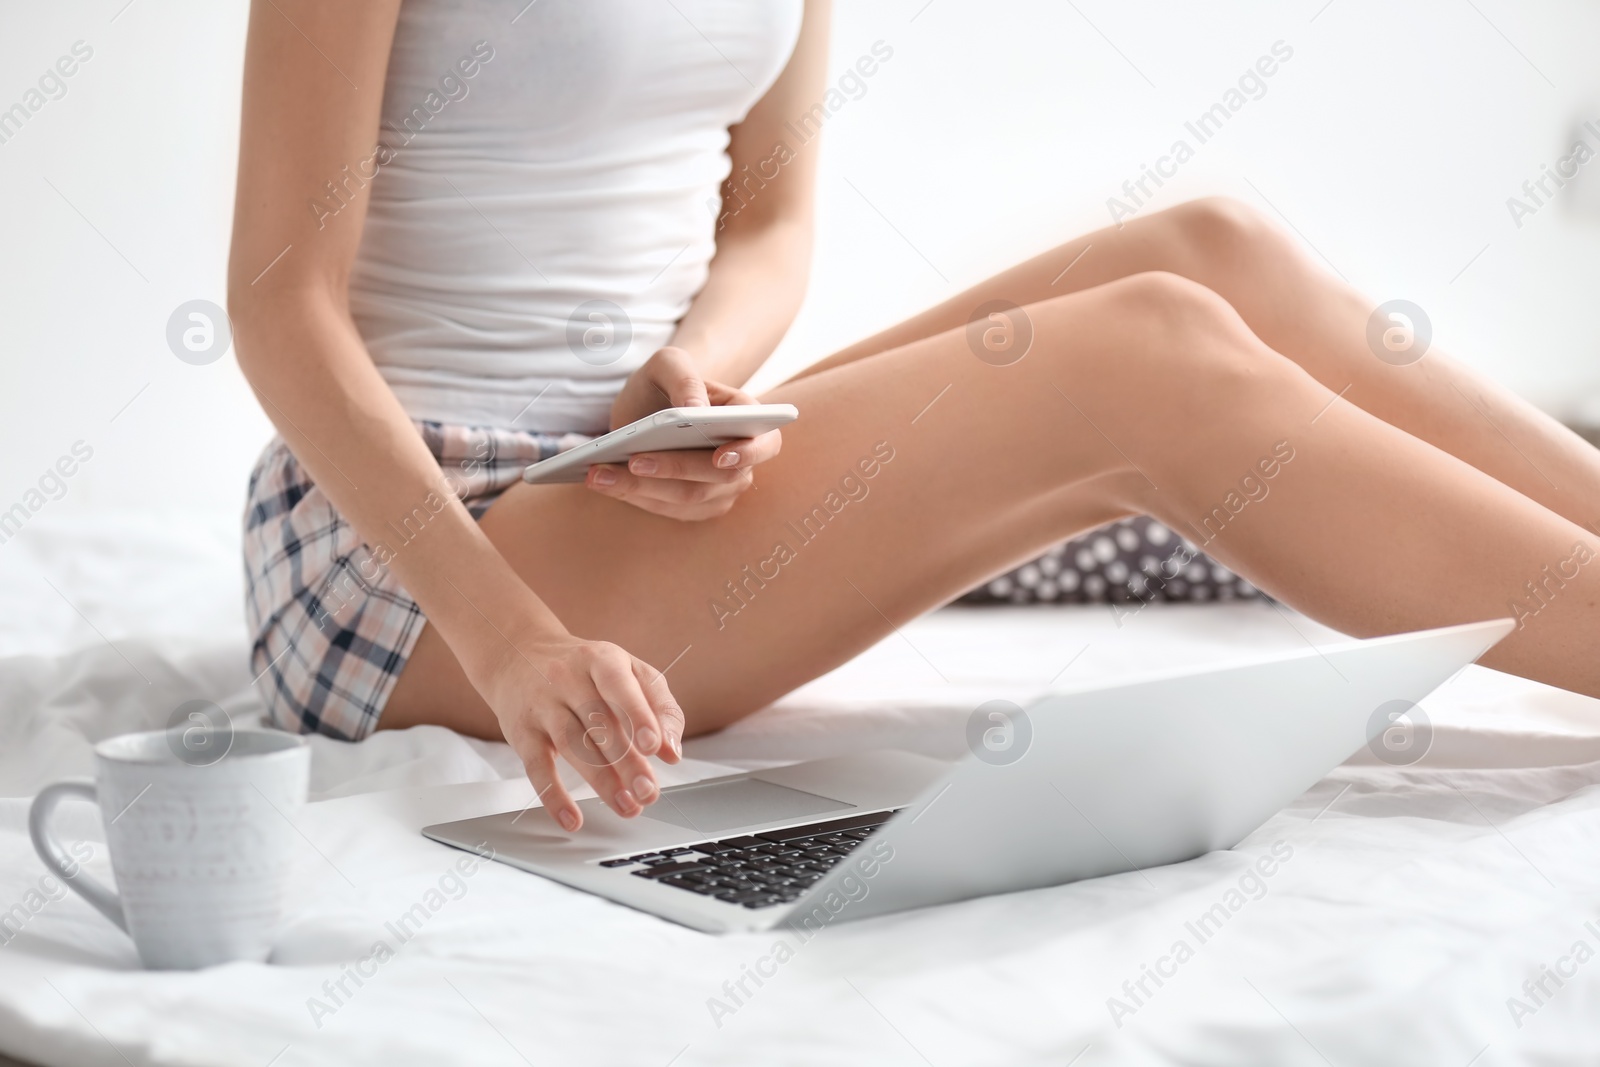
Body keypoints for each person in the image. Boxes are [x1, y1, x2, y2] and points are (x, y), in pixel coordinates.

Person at [229, 0, 1600, 833]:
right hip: (408, 560)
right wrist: (519, 647)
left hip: (623, 470)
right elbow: (280, 310)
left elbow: (768, 223)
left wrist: (699, 372)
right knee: (1146, 353)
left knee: (1205, 250)